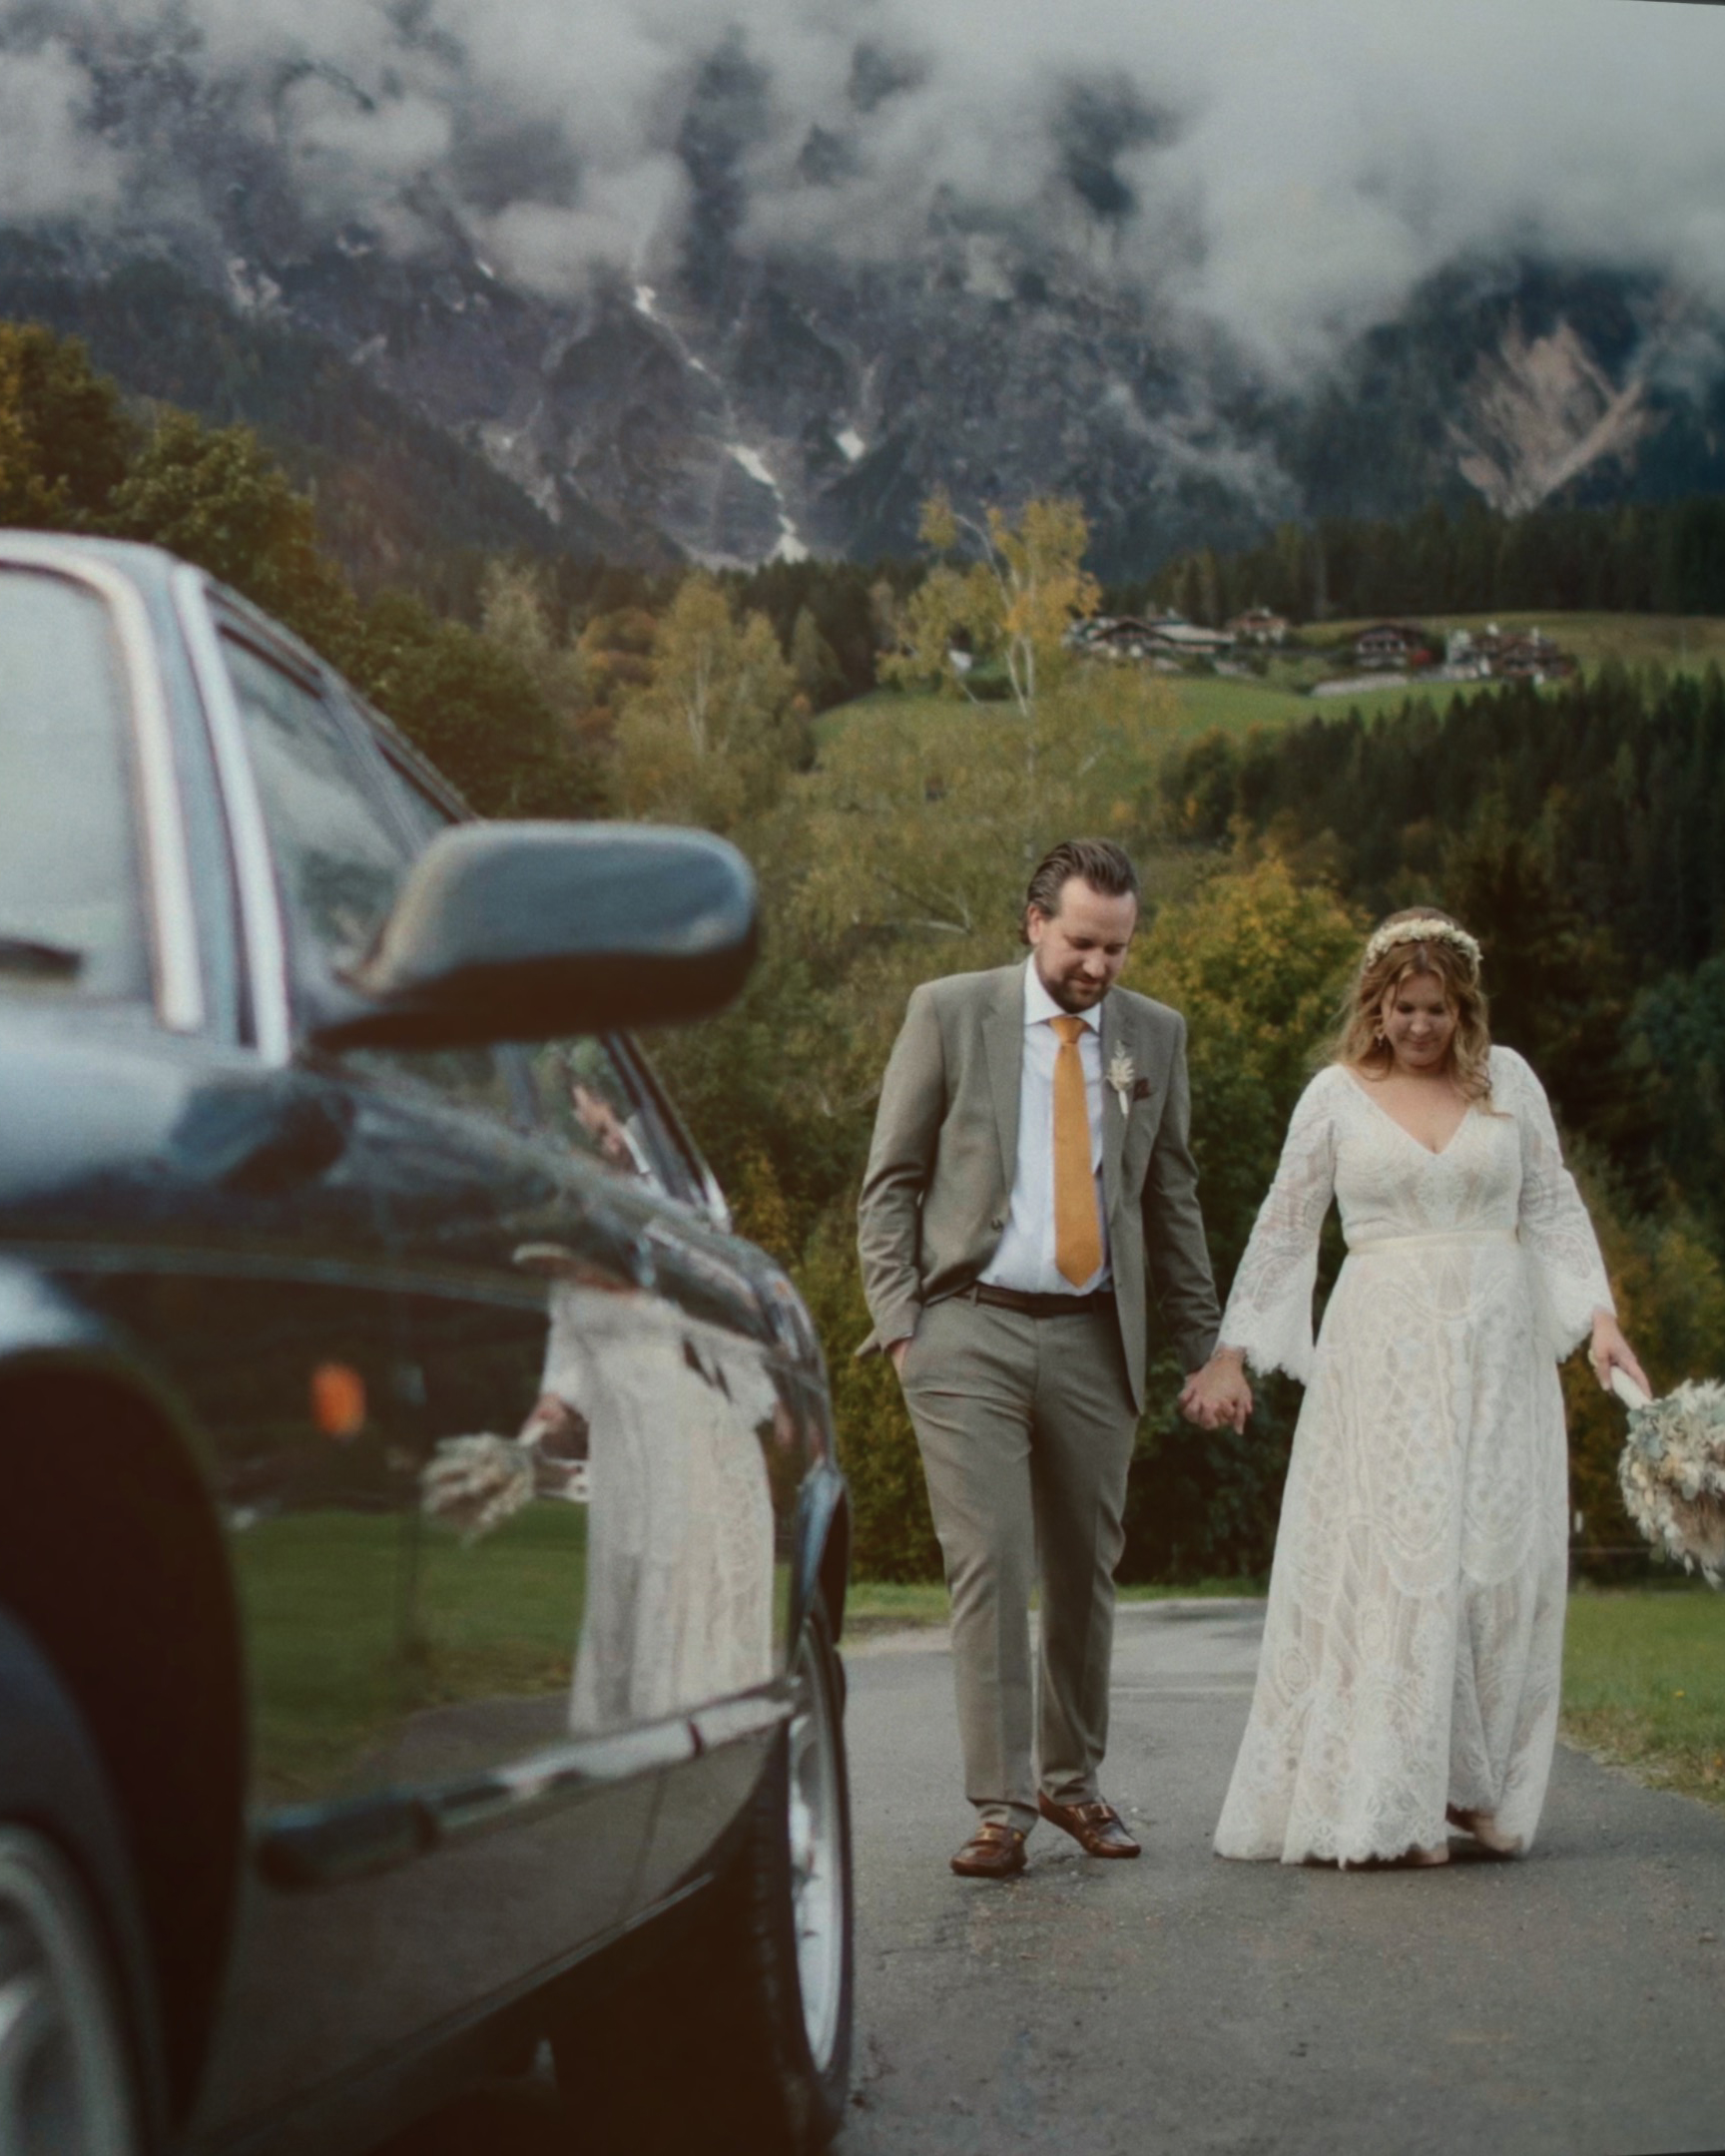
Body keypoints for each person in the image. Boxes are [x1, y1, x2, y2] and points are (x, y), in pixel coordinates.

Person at [1185, 909, 1647, 1868]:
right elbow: (1284, 1226)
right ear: (1378, 1006)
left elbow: (1554, 1204)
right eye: (1406, 1008)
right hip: (1384, 1354)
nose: (1423, 1026)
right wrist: (1232, 1352)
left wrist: (1598, 1319)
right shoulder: (1335, 1095)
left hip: (1499, 1345)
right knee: (1404, 1560)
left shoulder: (1508, 1083)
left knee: (1492, 1562)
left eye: (1439, 1008)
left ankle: (1475, 1791)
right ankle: (1393, 1796)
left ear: (1463, 1006)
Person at [858, 838, 1244, 1879]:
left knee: (1085, 1569)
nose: (1101, 967)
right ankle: (1000, 1809)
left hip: (1092, 1335)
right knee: (991, 1564)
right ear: (1034, 922)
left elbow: (1173, 1201)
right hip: (964, 1327)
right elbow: (890, 1180)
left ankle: (1071, 1787)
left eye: (1118, 948)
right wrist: (902, 1326)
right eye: (1082, 942)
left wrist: (1204, 1351)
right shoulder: (949, 1011)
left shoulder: (1154, 1036)